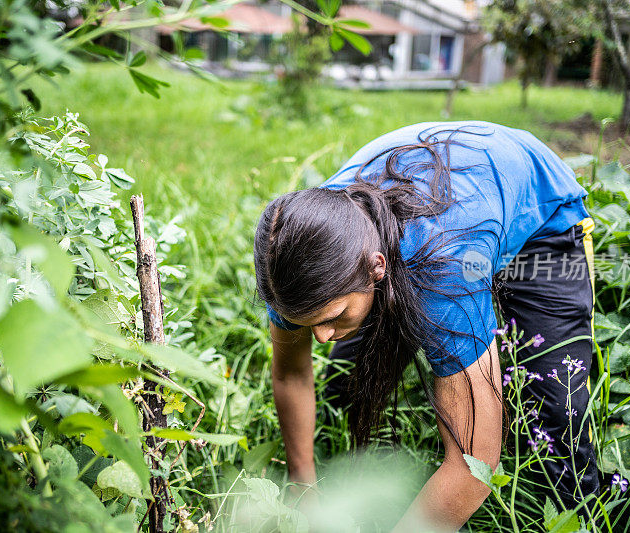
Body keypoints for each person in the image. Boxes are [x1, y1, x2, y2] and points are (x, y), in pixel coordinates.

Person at [253, 121, 601, 531]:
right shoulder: (292, 261)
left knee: (555, 431)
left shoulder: (443, 266)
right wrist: (302, 485)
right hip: (439, 199)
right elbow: (293, 373)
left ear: (376, 268)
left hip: (543, 220)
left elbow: (475, 464)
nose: (322, 337)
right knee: (346, 391)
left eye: (331, 318)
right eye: (306, 323)